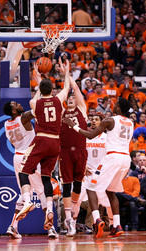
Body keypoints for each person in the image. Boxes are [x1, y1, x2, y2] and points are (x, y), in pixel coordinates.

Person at [63, 97, 133, 238]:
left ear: (118, 109)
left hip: (113, 157)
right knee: (111, 192)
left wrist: (73, 125)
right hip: (126, 158)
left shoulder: (110, 120)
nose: (113, 106)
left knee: (91, 188)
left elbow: (89, 135)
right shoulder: (131, 123)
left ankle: (97, 220)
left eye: (116, 104)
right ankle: (116, 226)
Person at [17, 59, 70, 230]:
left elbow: (39, 95)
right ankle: (49, 211)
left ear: (40, 90)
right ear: (52, 90)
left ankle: (26, 202)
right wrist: (66, 73)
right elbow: (66, 89)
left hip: (41, 139)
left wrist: (37, 76)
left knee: (24, 171)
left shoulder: (35, 103)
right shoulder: (59, 99)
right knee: (46, 177)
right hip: (55, 142)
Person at [3, 99, 58, 239]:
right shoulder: (24, 118)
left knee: (24, 191)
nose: (20, 104)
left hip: (17, 157)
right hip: (29, 156)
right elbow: (39, 109)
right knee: (41, 191)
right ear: (14, 111)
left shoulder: (6, 123)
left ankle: (13, 226)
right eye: (16, 104)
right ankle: (50, 229)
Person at [59, 75, 88, 237]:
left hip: (80, 150)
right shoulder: (62, 111)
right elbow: (64, 92)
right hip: (64, 151)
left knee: (78, 185)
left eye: (72, 98)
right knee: (67, 186)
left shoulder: (82, 110)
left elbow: (75, 90)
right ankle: (69, 219)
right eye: (68, 98)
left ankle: (74, 214)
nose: (70, 99)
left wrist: (67, 73)